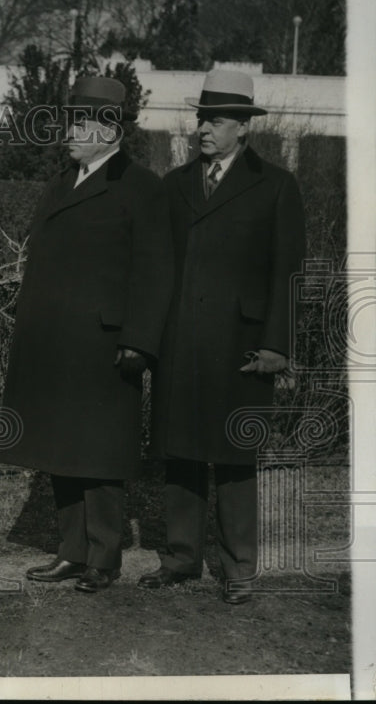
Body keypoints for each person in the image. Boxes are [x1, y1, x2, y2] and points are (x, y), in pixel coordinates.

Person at [2, 77, 174, 593]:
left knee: (100, 456)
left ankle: (104, 556)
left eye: (78, 124)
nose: (67, 134)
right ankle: (71, 552)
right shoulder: (62, 183)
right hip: (55, 343)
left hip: (106, 345)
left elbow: (155, 270)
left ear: (108, 128)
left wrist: (139, 340)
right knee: (61, 451)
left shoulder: (142, 186)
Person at [141, 69, 306, 604]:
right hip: (180, 341)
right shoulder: (175, 185)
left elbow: (287, 272)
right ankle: (181, 558)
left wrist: (277, 345)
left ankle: (239, 569)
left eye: (216, 120)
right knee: (181, 451)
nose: (203, 129)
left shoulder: (277, 186)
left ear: (242, 127)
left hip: (242, 344)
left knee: (235, 457)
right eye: (201, 118)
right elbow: (159, 267)